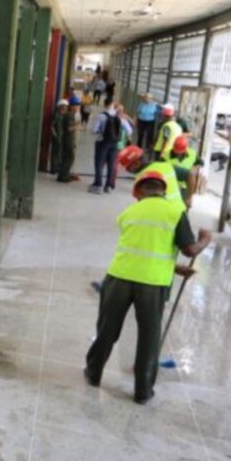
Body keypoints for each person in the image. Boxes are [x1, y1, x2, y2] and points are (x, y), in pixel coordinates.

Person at [84, 171, 211, 403]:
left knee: (107, 330)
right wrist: (205, 239)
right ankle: (142, 392)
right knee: (148, 339)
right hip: (152, 286)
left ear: (139, 192)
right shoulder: (175, 211)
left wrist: (176, 269)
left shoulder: (129, 213)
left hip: (118, 278)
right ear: (162, 190)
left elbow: (139, 251)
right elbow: (189, 250)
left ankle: (93, 374)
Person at [118, 145, 188, 210]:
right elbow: (191, 174)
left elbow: (144, 203)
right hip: (179, 211)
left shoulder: (142, 178)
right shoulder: (166, 165)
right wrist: (189, 198)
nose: (127, 170)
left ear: (136, 163)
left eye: (127, 167)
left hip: (162, 214)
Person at [89, 104, 129, 194]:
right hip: (114, 144)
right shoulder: (120, 118)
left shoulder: (101, 116)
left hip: (102, 142)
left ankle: (98, 185)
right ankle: (108, 186)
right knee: (111, 165)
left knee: (99, 164)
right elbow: (129, 130)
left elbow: (93, 130)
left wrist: (101, 131)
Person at [168, 135, 203, 207]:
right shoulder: (166, 155)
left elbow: (201, 163)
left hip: (185, 188)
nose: (178, 153)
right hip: (170, 186)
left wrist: (195, 167)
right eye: (176, 151)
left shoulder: (192, 154)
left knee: (184, 207)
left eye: (180, 151)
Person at [56, 97, 81, 183]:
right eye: (76, 105)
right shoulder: (70, 115)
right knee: (69, 157)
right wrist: (77, 126)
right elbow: (69, 128)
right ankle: (63, 176)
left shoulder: (69, 114)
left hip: (68, 139)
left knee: (66, 157)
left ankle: (63, 174)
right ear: (72, 106)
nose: (78, 107)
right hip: (68, 139)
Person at [50, 98, 70, 175]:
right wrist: (55, 135)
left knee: (60, 152)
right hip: (57, 137)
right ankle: (54, 168)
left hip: (62, 137)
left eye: (66, 106)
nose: (66, 107)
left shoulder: (64, 115)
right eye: (64, 106)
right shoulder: (57, 115)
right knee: (55, 153)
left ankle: (58, 166)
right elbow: (52, 126)